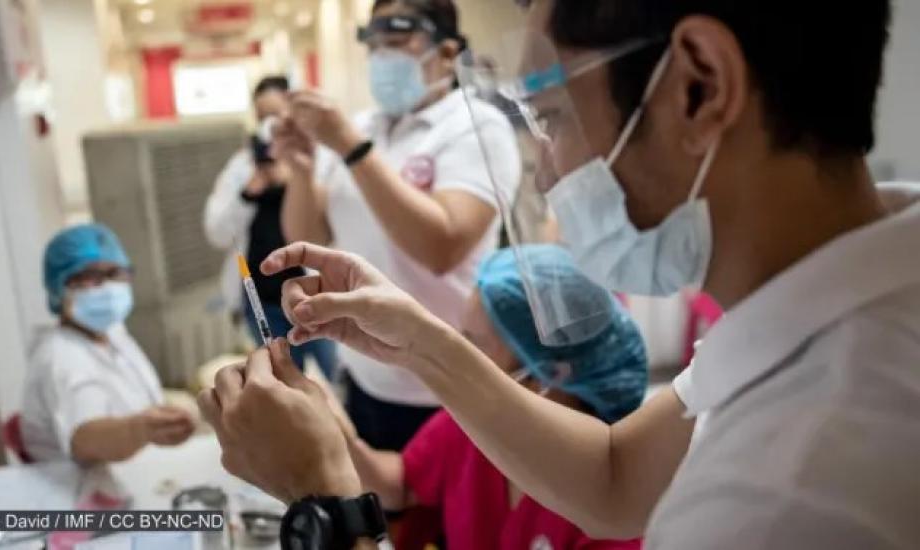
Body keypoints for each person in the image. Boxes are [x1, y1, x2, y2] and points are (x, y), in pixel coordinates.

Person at [199, 0, 920, 548]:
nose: (545, 172)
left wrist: (324, 504)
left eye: (551, 118)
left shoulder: (790, 497)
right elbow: (615, 478)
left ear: (698, 88)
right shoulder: (825, 313)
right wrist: (420, 337)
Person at [271, 0, 521, 450]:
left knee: (448, 518)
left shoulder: (477, 127)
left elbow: (441, 247)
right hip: (365, 372)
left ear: (447, 53)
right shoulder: (365, 126)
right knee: (383, 512)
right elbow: (309, 237)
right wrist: (304, 171)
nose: (383, 57)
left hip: (444, 384)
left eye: (398, 42)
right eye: (375, 45)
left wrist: (351, 147)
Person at [332, 245, 646, 550]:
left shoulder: (611, 509)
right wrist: (336, 437)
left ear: (549, 373)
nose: (458, 353)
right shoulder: (473, 423)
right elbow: (402, 484)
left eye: (475, 344)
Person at [22, 224, 194, 463]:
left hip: (142, 465)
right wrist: (141, 430)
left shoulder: (110, 331)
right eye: (90, 277)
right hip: (87, 486)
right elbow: (84, 440)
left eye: (114, 273)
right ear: (59, 287)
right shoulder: (61, 358)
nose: (107, 287)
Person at [203, 75, 338, 378]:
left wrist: (298, 179)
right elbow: (217, 232)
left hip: (319, 299)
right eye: (262, 117)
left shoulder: (324, 161)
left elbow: (332, 228)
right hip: (263, 303)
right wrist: (249, 193)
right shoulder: (242, 167)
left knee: (339, 376)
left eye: (276, 115)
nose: (270, 125)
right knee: (287, 383)